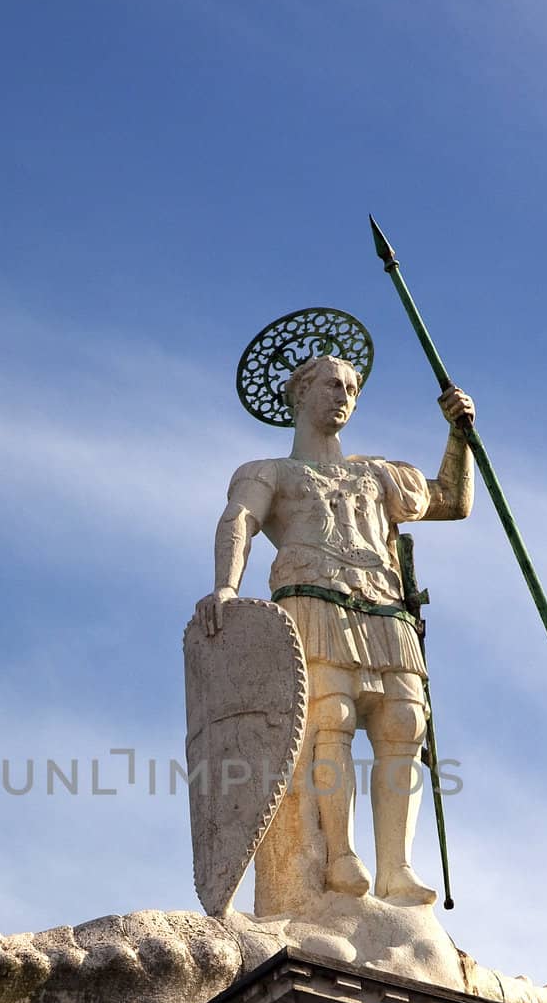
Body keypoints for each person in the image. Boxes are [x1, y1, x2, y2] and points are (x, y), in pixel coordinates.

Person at [196, 354, 474, 911]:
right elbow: (239, 520)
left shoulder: (378, 473)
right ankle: (340, 856)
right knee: (332, 718)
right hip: (312, 596)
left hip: (384, 603)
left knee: (404, 723)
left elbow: (452, 501)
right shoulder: (269, 471)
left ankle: (397, 870)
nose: (343, 395)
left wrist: (459, 436)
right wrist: (226, 585)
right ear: (300, 393)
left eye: (352, 387)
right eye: (330, 384)